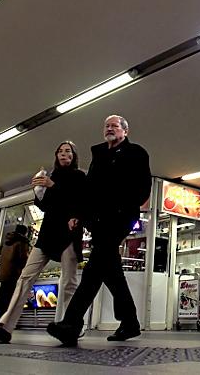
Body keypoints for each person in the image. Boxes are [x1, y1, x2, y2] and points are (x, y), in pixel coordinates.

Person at [47, 115, 152, 346]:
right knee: (110, 270)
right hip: (98, 220)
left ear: (125, 130)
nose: (109, 129)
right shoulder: (99, 156)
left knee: (95, 269)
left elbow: (144, 186)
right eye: (106, 126)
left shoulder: (136, 152)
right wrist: (80, 214)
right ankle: (130, 322)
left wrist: (124, 206)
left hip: (120, 217)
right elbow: (89, 190)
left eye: (114, 125)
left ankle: (72, 323)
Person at [0, 141, 86, 343]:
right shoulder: (50, 176)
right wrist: (38, 190)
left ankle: (71, 326)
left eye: (68, 151)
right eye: (60, 151)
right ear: (56, 155)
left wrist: (53, 186)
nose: (64, 154)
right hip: (48, 233)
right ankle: (5, 325)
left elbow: (78, 201)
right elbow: (45, 206)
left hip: (69, 233)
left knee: (69, 282)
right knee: (25, 277)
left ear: (73, 156)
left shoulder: (79, 176)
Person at [0, 225, 30, 324]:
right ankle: (1, 320)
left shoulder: (7, 242)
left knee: (2, 295)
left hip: (4, 274)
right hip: (14, 274)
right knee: (9, 297)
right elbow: (23, 259)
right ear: (24, 232)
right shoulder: (21, 242)